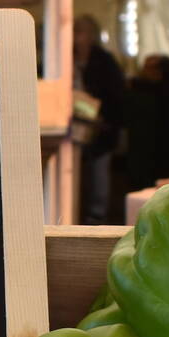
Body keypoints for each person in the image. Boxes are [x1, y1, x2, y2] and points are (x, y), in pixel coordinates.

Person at [72, 15, 126, 223]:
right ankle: (72, 217)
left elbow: (116, 95)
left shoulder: (104, 61)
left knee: (98, 176)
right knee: (73, 174)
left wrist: (105, 120)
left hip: (101, 128)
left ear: (92, 36)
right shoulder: (62, 58)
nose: (76, 36)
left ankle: (96, 218)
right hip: (72, 128)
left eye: (81, 31)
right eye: (74, 30)